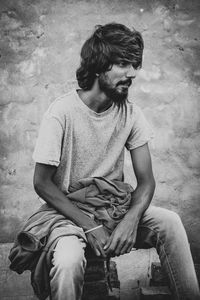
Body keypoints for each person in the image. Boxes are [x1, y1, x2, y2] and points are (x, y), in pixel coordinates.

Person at [32, 23, 200, 300]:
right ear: (99, 66)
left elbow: (146, 181)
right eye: (123, 64)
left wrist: (131, 220)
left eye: (134, 65)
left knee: (169, 222)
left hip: (114, 208)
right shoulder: (60, 113)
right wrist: (90, 225)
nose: (132, 73)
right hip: (68, 215)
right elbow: (41, 183)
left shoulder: (131, 114)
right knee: (68, 261)